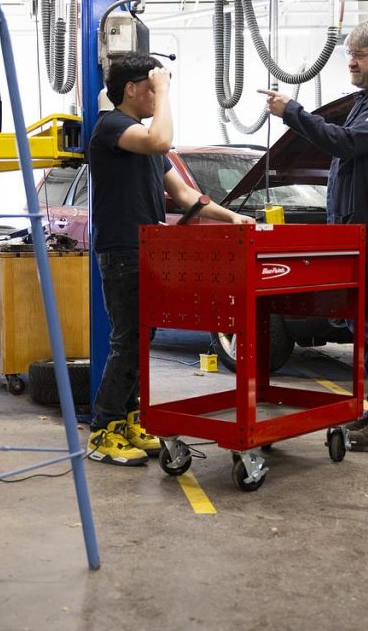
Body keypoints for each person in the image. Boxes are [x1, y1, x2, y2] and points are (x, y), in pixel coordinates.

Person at [260, 15, 368, 452]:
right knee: (366, 324)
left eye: (359, 55)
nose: (349, 61)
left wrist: (293, 112)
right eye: (348, 53)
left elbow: (346, 143)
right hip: (359, 233)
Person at [87, 53, 255, 466]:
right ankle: (103, 431)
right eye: (152, 88)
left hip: (148, 250)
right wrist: (164, 91)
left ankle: (129, 419)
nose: (158, 97)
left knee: (142, 341)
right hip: (122, 250)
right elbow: (161, 140)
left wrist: (230, 216)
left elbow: (184, 196)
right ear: (132, 89)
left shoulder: (144, 140)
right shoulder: (111, 127)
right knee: (127, 342)